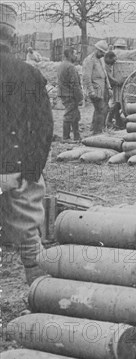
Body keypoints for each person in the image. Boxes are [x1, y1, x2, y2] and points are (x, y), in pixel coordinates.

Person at [1, 3, 54, 285]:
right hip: (17, 172)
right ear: (12, 38)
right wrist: (29, 171)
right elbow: (44, 130)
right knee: (30, 247)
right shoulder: (29, 74)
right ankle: (41, 301)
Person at [82, 40, 111, 135]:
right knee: (101, 109)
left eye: (104, 53)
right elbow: (86, 77)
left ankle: (94, 127)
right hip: (94, 89)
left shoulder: (100, 60)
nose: (103, 54)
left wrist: (109, 88)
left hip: (102, 89)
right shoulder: (89, 60)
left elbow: (105, 74)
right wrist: (91, 91)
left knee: (99, 109)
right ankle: (97, 131)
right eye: (101, 52)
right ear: (97, 50)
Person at [57, 47, 83, 140]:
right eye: (75, 54)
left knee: (75, 115)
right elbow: (75, 84)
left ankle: (76, 136)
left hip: (64, 93)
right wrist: (80, 97)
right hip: (69, 95)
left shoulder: (62, 65)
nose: (76, 56)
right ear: (70, 55)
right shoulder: (71, 67)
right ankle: (66, 137)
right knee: (69, 115)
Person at [103, 50, 126, 129]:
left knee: (116, 104)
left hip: (111, 88)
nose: (114, 62)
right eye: (113, 60)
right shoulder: (104, 66)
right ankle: (107, 122)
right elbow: (110, 78)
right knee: (109, 105)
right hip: (105, 88)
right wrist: (118, 82)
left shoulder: (109, 64)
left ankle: (116, 121)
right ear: (108, 58)